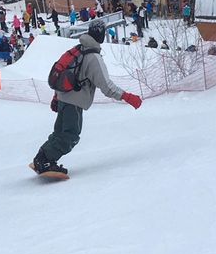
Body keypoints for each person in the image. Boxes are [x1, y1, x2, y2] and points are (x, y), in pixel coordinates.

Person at [31, 20, 143, 175]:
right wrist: (128, 97)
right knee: (70, 135)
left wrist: (56, 96)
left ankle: (42, 158)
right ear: (101, 36)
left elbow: (62, 70)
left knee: (59, 133)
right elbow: (107, 86)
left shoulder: (77, 49)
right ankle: (44, 161)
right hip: (73, 102)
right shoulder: (93, 57)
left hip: (64, 98)